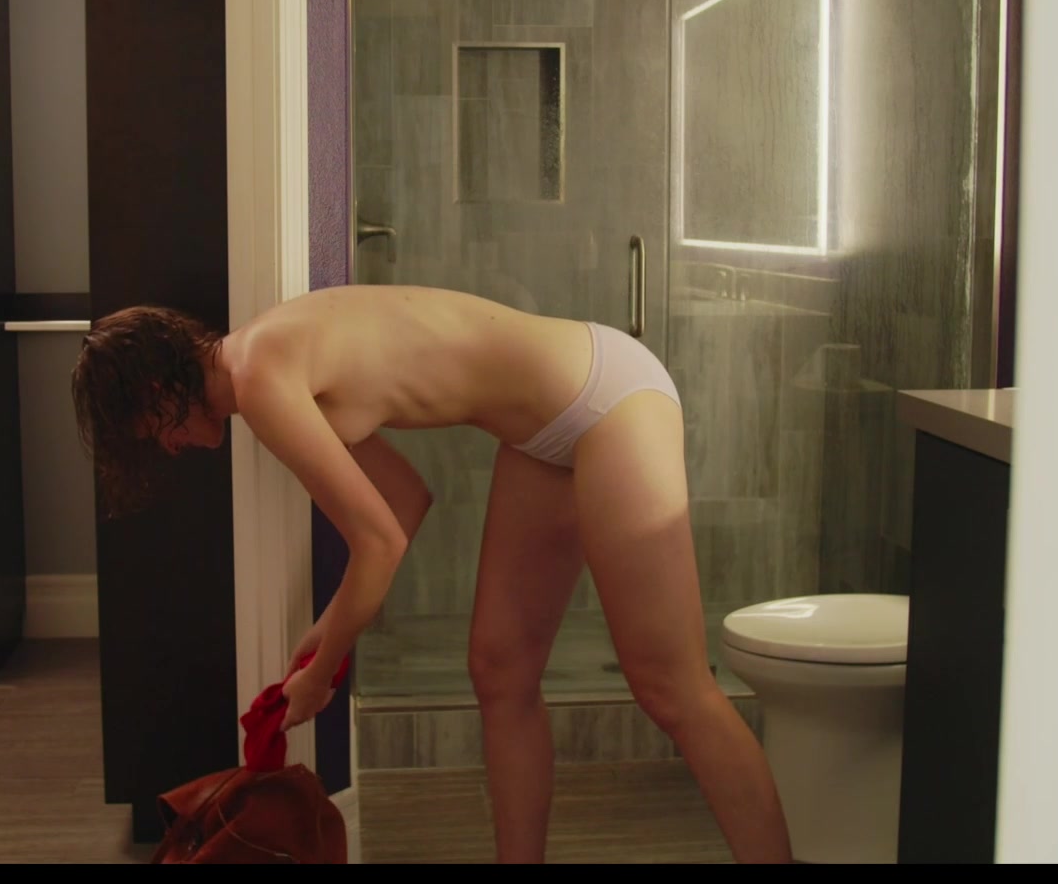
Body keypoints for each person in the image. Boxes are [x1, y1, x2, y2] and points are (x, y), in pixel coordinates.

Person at [70, 284, 792, 864]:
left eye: (149, 430)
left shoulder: (259, 375)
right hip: (543, 434)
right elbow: (405, 502)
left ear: (158, 389)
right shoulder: (263, 363)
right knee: (499, 670)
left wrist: (321, 675)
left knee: (671, 686)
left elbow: (377, 541)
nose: (163, 448)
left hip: (608, 396)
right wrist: (329, 633)